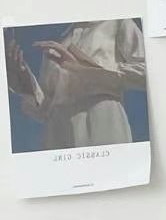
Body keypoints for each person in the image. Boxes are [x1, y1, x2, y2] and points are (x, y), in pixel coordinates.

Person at [5, 18, 146, 150]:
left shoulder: (117, 23)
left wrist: (85, 68)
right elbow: (44, 109)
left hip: (101, 122)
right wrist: (25, 84)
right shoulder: (54, 47)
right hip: (56, 134)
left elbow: (150, 71)